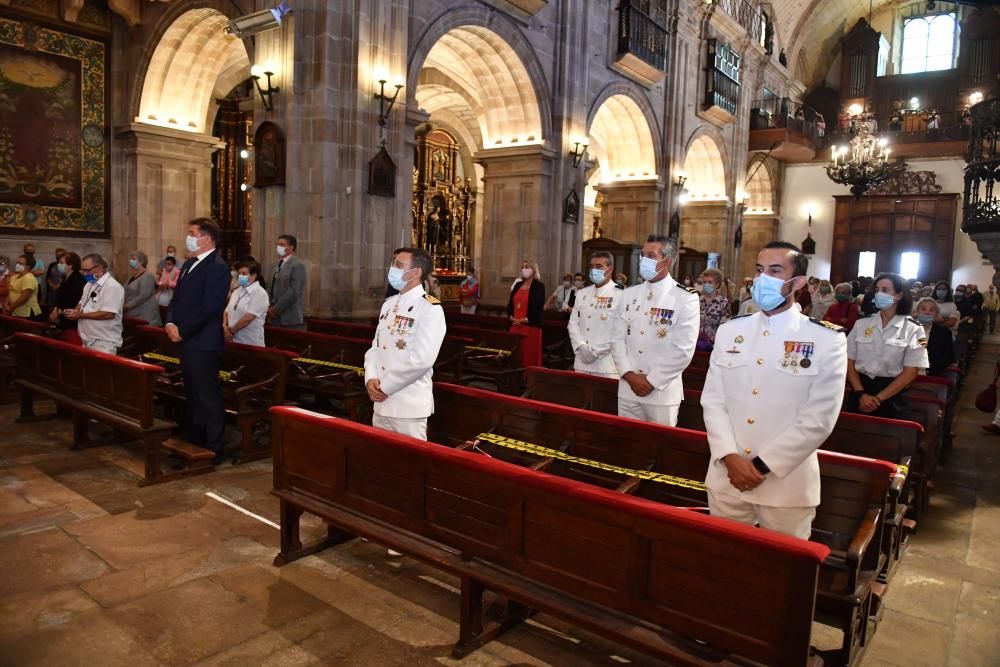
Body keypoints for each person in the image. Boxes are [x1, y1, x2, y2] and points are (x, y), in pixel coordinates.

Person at [701, 241, 848, 539]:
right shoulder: (732, 331)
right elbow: (713, 401)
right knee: (723, 564)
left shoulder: (825, 339)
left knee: (780, 574)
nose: (762, 278)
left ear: (798, 282)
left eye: (775, 270)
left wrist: (760, 466)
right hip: (726, 477)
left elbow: (819, 418)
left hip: (786, 484)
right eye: (759, 270)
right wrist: (730, 458)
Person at [610, 234, 698, 427]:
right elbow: (616, 339)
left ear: (668, 260)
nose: (644, 260)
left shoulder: (685, 298)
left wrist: (651, 381)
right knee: (627, 445)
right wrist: (629, 375)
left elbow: (683, 350)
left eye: (651, 255)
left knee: (658, 450)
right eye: (642, 255)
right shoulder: (628, 294)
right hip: (627, 388)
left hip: (661, 392)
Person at [165, 218, 232, 465]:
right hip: (186, 339)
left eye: (192, 233)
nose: (188, 237)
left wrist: (184, 330)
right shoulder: (189, 264)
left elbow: (210, 307)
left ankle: (214, 449)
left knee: (207, 396)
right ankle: (195, 444)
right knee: (192, 395)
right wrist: (170, 323)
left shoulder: (217, 266)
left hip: (203, 341)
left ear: (206, 238)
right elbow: (176, 300)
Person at [364, 248, 446, 441]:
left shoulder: (429, 308)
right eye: (393, 264)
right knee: (382, 462)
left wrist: (385, 387)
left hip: (407, 405)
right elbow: (375, 348)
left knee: (412, 466)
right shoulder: (389, 304)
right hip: (381, 402)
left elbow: (422, 360)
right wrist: (371, 378)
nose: (393, 269)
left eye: (399, 265)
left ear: (416, 272)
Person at [845, 273, 929, 420]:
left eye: (885, 290)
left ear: (899, 295)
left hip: (891, 395)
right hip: (860, 390)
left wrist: (878, 399)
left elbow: (911, 371)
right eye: (877, 289)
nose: (878, 294)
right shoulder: (862, 324)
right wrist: (861, 393)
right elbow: (848, 361)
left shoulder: (914, 329)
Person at [567, 251, 622, 378]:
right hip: (581, 362)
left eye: (599, 266)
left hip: (607, 364)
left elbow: (620, 331)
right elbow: (573, 324)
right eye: (592, 266)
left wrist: (595, 352)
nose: (594, 270)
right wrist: (581, 346)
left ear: (610, 269)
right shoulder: (582, 293)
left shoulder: (621, 294)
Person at [63, 254, 124, 353]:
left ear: (100, 268)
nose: (84, 273)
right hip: (87, 339)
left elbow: (108, 314)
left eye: (87, 270)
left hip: (104, 342)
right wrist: (75, 311)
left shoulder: (112, 286)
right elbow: (82, 303)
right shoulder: (89, 284)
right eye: (82, 270)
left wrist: (81, 315)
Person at [508, 259, 546, 367]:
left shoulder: (539, 286)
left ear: (533, 270)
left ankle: (528, 380)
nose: (524, 269)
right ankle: (515, 378)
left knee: (528, 357)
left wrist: (526, 319)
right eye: (523, 267)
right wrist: (510, 316)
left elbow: (538, 307)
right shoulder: (518, 284)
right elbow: (510, 303)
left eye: (527, 267)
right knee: (516, 357)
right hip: (515, 326)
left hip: (530, 327)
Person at [224, 260, 269, 346]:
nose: (241, 276)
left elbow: (248, 317)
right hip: (232, 340)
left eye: (244, 274)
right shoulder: (237, 291)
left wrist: (230, 331)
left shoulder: (260, 293)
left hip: (249, 341)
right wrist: (224, 326)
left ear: (254, 275)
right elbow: (226, 311)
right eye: (239, 274)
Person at [267, 234, 306, 329]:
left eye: (282, 244)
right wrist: (267, 305)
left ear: (291, 247)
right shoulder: (277, 264)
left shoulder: (297, 265)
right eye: (278, 244)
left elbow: (293, 292)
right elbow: (270, 287)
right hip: (274, 317)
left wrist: (276, 309)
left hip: (289, 317)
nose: (278, 247)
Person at [49, 252, 86, 345]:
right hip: (64, 320)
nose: (59, 265)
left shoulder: (77, 279)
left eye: (62, 263)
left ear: (70, 265)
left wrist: (58, 312)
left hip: (72, 322)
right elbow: (61, 297)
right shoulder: (66, 278)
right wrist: (56, 309)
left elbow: (74, 300)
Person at [914, 298, 954, 377]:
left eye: (931, 310)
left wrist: (932, 363)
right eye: (923, 309)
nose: (927, 312)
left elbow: (949, 357)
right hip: (905, 374)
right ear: (917, 312)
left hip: (932, 374)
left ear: (936, 314)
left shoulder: (944, 333)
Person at [123, 251, 161, 326]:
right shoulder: (133, 276)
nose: (131, 261)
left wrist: (127, 306)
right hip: (133, 313)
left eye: (133, 259)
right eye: (131, 259)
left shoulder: (147, 276)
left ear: (141, 262)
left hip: (145, 314)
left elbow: (144, 296)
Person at [698, 268, 729, 350]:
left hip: (714, 347)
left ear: (717, 284)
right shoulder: (697, 301)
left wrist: (713, 340)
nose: (706, 285)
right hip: (695, 345)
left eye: (710, 282)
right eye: (704, 282)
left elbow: (725, 326)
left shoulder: (722, 302)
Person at [3, 255, 41, 320]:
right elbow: (10, 292)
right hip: (15, 311)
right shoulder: (14, 277)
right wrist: (6, 305)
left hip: (26, 313)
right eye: (17, 263)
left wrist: (11, 307)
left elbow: (24, 297)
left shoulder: (29, 278)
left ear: (28, 267)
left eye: (20, 264)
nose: (17, 265)